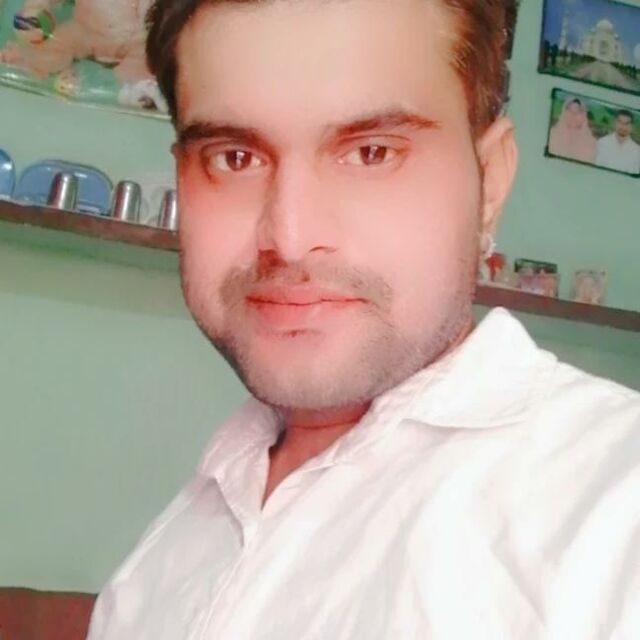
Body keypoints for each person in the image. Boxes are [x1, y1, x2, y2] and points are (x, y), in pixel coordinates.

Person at [87, 0, 640, 637]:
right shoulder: (158, 566)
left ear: (489, 181)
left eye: (372, 153)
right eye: (234, 158)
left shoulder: (611, 509)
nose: (290, 238)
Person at [547, 96, 596, 163]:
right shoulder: (552, 134)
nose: (573, 115)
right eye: (570, 111)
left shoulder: (591, 142)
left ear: (584, 116)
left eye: (578, 112)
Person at [595, 109, 640, 175]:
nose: (623, 126)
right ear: (614, 123)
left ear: (632, 127)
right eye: (620, 122)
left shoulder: (637, 151)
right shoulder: (602, 143)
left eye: (627, 123)